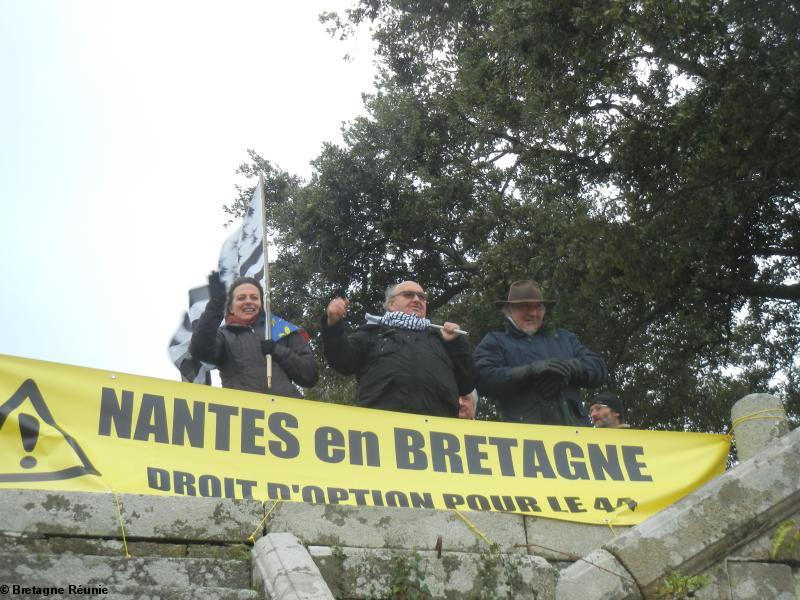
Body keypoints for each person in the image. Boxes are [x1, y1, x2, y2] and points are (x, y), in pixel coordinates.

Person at [321, 280, 474, 417]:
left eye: (422, 297)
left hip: (439, 431)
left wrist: (456, 343)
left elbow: (466, 384)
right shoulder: (373, 333)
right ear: (391, 304)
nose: (416, 300)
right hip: (383, 426)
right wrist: (333, 325)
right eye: (408, 295)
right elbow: (342, 361)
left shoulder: (442, 339)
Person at [474, 280, 607, 426]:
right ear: (510, 310)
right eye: (525, 307)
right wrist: (531, 372)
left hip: (574, 437)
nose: (533, 312)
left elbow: (598, 368)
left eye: (538, 307)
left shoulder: (565, 338)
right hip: (526, 440)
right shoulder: (496, 341)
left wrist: (567, 368)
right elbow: (482, 377)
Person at [189, 271, 318, 398]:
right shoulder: (224, 336)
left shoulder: (282, 330)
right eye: (241, 298)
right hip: (244, 414)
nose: (248, 301)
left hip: (287, 413)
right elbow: (199, 349)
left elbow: (310, 376)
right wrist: (216, 304)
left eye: (254, 297)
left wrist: (278, 351)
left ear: (261, 304)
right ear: (231, 308)